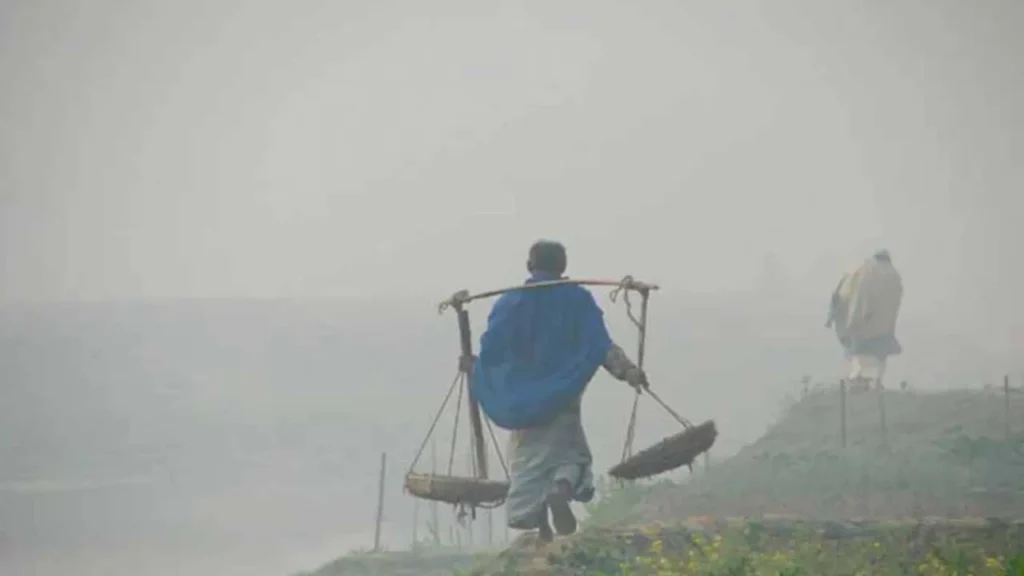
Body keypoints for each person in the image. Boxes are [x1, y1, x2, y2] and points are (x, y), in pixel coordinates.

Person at [472, 240, 648, 542]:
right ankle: (560, 490)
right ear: (563, 267)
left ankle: (543, 529)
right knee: (570, 455)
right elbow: (600, 345)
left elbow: (492, 350)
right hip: (564, 396)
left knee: (527, 459)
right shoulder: (577, 300)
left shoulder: (511, 303)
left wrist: (473, 367)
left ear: (530, 265)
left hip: (520, 400)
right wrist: (628, 371)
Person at [826, 249, 903, 392]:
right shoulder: (894, 274)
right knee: (879, 352)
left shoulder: (866, 269)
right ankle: (875, 381)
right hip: (884, 325)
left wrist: (854, 319)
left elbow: (858, 295)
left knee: (857, 350)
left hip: (862, 319)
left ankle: (857, 379)